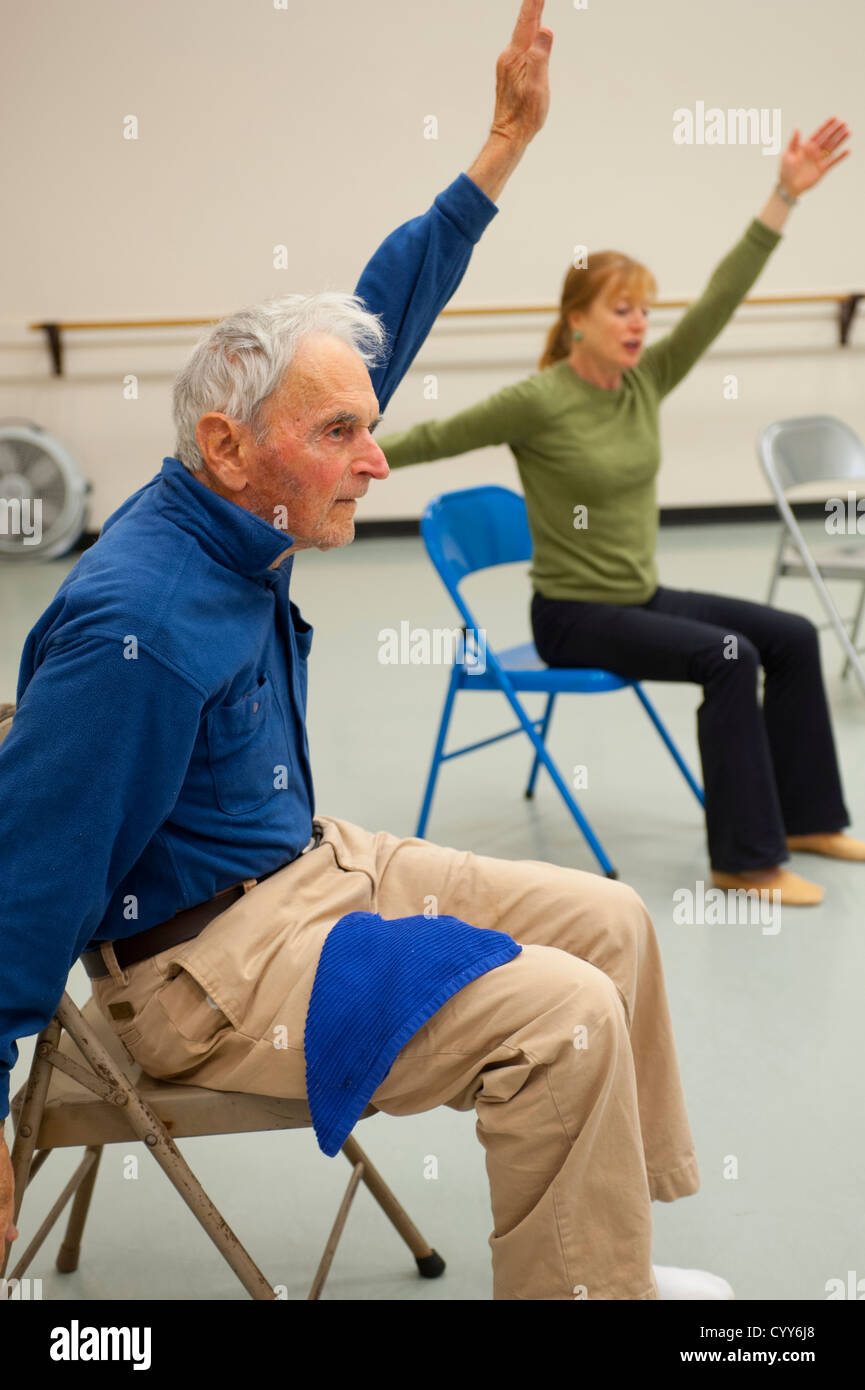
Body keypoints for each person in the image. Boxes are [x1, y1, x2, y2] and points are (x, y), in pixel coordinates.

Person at [1, 2, 730, 1301]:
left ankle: (606, 1253)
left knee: (613, 917)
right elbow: (26, 875)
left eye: (366, 423)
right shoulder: (140, 626)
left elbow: (383, 304)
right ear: (231, 447)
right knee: (559, 1014)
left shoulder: (245, 498)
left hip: (309, 863)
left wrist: (499, 147)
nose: (376, 458)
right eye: (341, 432)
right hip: (204, 974)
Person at [377, 117, 863, 908]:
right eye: (620, 310)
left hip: (637, 597)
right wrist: (337, 451)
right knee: (730, 656)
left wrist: (783, 195)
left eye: (644, 310)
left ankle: (807, 819)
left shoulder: (644, 380)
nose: (640, 323)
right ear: (576, 320)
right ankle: (743, 862)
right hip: (571, 616)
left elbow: (721, 297)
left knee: (792, 636)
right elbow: (436, 436)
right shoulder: (539, 400)